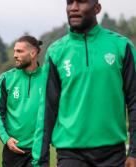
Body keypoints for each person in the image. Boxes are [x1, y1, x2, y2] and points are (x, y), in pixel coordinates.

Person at [32, 0, 136, 166]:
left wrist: (134, 152)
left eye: (81, 2)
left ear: (97, 8)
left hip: (113, 155)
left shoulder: (121, 46)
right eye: (69, 2)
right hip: (70, 154)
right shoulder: (56, 52)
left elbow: (134, 101)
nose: (73, 8)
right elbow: (47, 109)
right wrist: (40, 161)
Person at [0, 35, 47, 167]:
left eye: (20, 51)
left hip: (39, 150)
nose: (15, 55)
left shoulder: (48, 77)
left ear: (33, 53)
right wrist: (6, 139)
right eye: (14, 51)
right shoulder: (6, 78)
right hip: (12, 151)